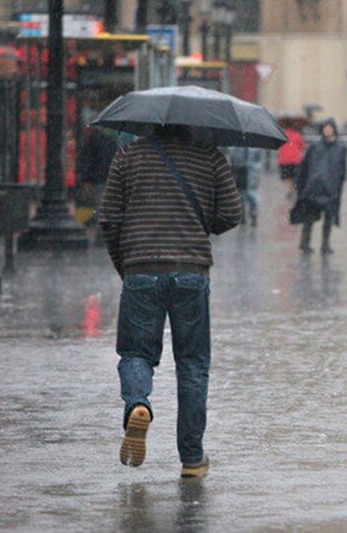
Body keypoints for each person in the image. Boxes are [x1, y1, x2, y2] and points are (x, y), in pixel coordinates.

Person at [99, 124, 242, 478]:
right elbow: (232, 214)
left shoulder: (128, 157)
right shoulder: (210, 156)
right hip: (191, 270)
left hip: (141, 268)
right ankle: (192, 458)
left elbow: (108, 218)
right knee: (192, 364)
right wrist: (197, 220)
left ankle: (138, 404)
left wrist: (126, 265)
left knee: (136, 352)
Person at [289, 118, 347, 255]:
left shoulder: (340, 148)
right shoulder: (315, 147)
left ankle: (325, 244)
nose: (327, 130)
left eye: (330, 127)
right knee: (309, 217)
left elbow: (341, 169)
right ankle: (305, 243)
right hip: (314, 188)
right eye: (325, 128)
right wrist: (303, 184)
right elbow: (305, 167)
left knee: (328, 217)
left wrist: (338, 184)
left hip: (330, 188)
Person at [227, 146, 264, 226]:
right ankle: (249, 214)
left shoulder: (235, 146)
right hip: (244, 173)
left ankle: (249, 214)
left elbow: (233, 161)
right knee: (247, 194)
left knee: (246, 194)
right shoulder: (254, 147)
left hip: (246, 174)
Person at [277, 125, 305, 199]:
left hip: (284, 159)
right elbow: (302, 146)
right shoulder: (298, 135)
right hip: (295, 159)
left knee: (286, 177)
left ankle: (289, 190)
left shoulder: (282, 134)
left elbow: (278, 145)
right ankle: (292, 189)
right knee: (294, 176)